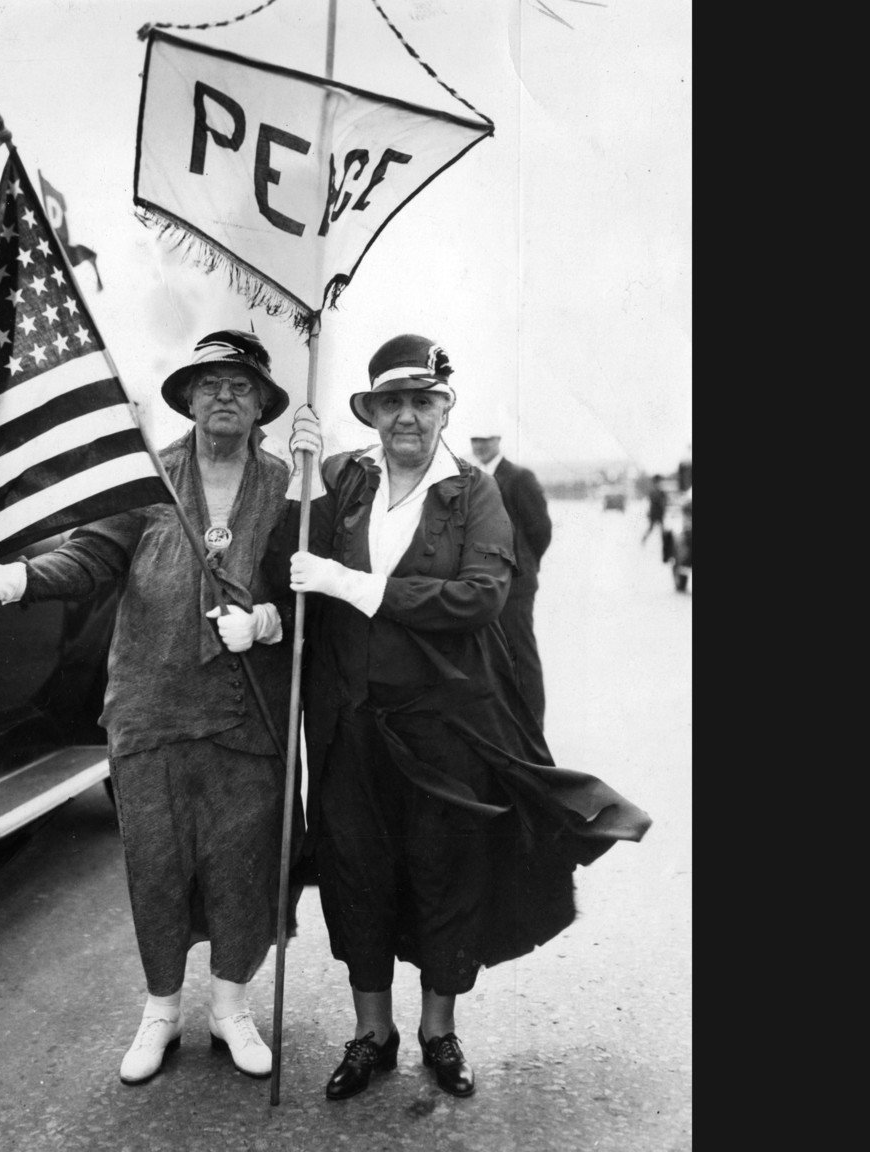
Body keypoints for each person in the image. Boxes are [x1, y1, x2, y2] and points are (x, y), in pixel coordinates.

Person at [0, 330, 320, 1086]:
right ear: (187, 397)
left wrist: (271, 613)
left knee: (241, 864)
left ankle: (231, 1010)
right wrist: (4, 581)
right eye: (209, 384)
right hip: (149, 709)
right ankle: (161, 1012)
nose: (224, 397)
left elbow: (310, 586)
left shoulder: (285, 486)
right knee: (156, 865)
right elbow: (86, 559)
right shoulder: (145, 480)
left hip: (249, 718)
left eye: (241, 386)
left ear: (263, 405)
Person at [287, 334, 651, 1102]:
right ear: (373, 412)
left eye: (422, 402)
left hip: (443, 728)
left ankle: (437, 1032)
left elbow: (481, 595)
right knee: (357, 872)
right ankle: (371, 1034)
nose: (407, 418)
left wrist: (357, 585)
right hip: (350, 725)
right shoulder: (346, 484)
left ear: (443, 409)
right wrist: (297, 479)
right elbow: (290, 567)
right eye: (393, 403)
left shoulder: (471, 492)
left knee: (444, 870)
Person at [465, 424, 552, 730]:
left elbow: (540, 530)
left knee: (522, 657)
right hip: (482, 583)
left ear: (499, 439)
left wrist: (526, 566)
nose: (480, 444)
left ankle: (533, 733)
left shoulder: (519, 477)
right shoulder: (469, 475)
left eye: (486, 438)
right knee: (490, 656)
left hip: (517, 584)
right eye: (475, 438)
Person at [641, 474, 669, 544]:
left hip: (659, 513)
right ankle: (643, 540)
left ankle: (665, 544)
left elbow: (664, 501)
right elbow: (652, 501)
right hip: (654, 513)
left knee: (662, 529)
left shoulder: (661, 492)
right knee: (651, 528)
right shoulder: (654, 492)